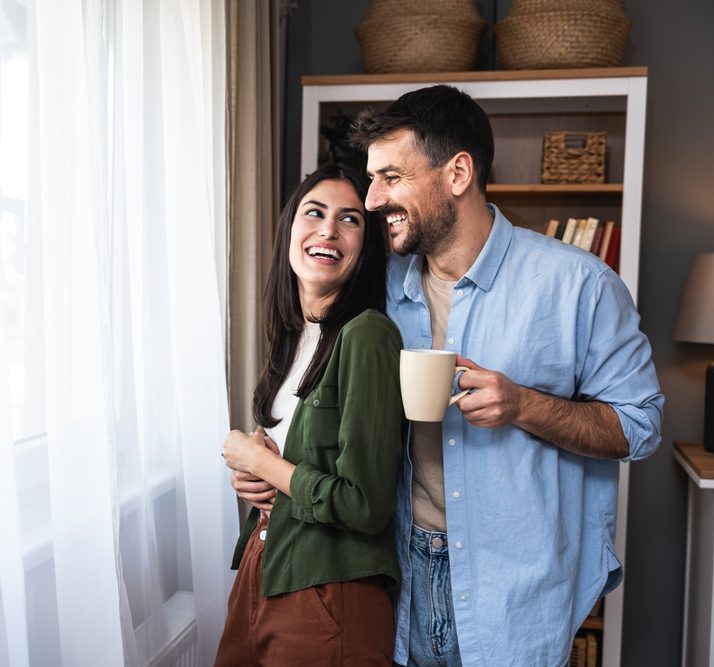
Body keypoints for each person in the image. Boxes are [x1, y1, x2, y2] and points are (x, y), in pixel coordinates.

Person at [349, 85, 664, 666]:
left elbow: (638, 427)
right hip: (397, 575)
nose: (372, 200)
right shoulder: (383, 283)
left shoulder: (580, 286)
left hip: (517, 590)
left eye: (390, 177)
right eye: (372, 180)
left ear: (458, 173)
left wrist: (523, 406)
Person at [215, 164, 404, 665]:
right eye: (314, 213)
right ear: (290, 229)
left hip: (329, 588)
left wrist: (262, 465)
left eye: (350, 220)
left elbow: (364, 504)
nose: (328, 230)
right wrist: (254, 475)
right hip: (265, 563)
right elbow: (292, 465)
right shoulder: (292, 337)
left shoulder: (367, 334)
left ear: (365, 247)